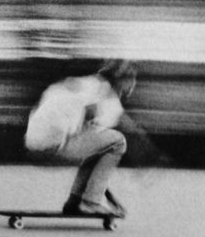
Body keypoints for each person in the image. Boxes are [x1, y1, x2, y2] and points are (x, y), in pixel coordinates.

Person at [24, 59, 138, 217]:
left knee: (100, 144)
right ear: (123, 81)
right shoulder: (105, 94)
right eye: (132, 82)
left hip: (31, 144)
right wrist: (101, 191)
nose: (132, 87)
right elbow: (96, 135)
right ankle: (91, 202)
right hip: (54, 146)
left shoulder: (83, 82)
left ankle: (75, 202)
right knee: (118, 142)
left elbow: (93, 145)